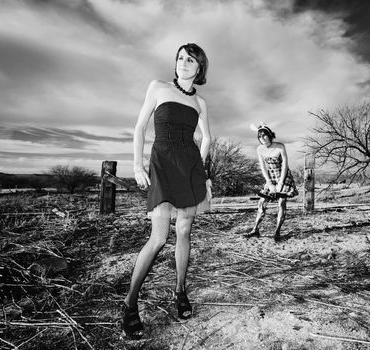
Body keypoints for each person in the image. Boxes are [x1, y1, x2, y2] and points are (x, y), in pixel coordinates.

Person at [122, 43, 211, 339]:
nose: (183, 63)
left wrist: (203, 167)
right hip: (161, 165)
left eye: (190, 59)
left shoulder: (200, 102)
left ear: (199, 67)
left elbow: (207, 137)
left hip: (189, 168)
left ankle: (180, 290)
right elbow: (139, 127)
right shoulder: (158, 87)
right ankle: (130, 302)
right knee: (159, 237)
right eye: (180, 58)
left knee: (184, 232)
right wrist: (137, 166)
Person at [245, 123, 298, 241]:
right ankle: (255, 229)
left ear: (270, 135)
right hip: (271, 177)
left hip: (284, 177)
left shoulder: (280, 146)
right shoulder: (259, 149)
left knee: (281, 203)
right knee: (262, 203)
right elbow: (263, 167)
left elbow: (285, 165)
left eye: (264, 136)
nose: (262, 139)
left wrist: (280, 183)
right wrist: (269, 183)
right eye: (260, 137)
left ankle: (277, 232)